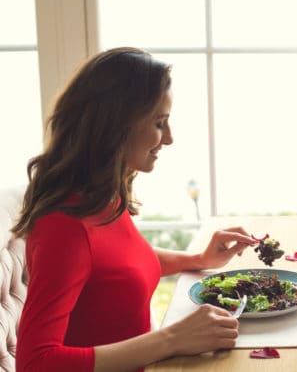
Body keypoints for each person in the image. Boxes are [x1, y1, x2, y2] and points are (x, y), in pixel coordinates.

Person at [11, 47, 260, 372]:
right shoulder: (64, 226)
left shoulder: (102, 197)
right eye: (159, 123)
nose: (168, 138)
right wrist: (172, 339)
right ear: (115, 124)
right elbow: (35, 363)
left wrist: (199, 259)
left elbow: (117, 265)